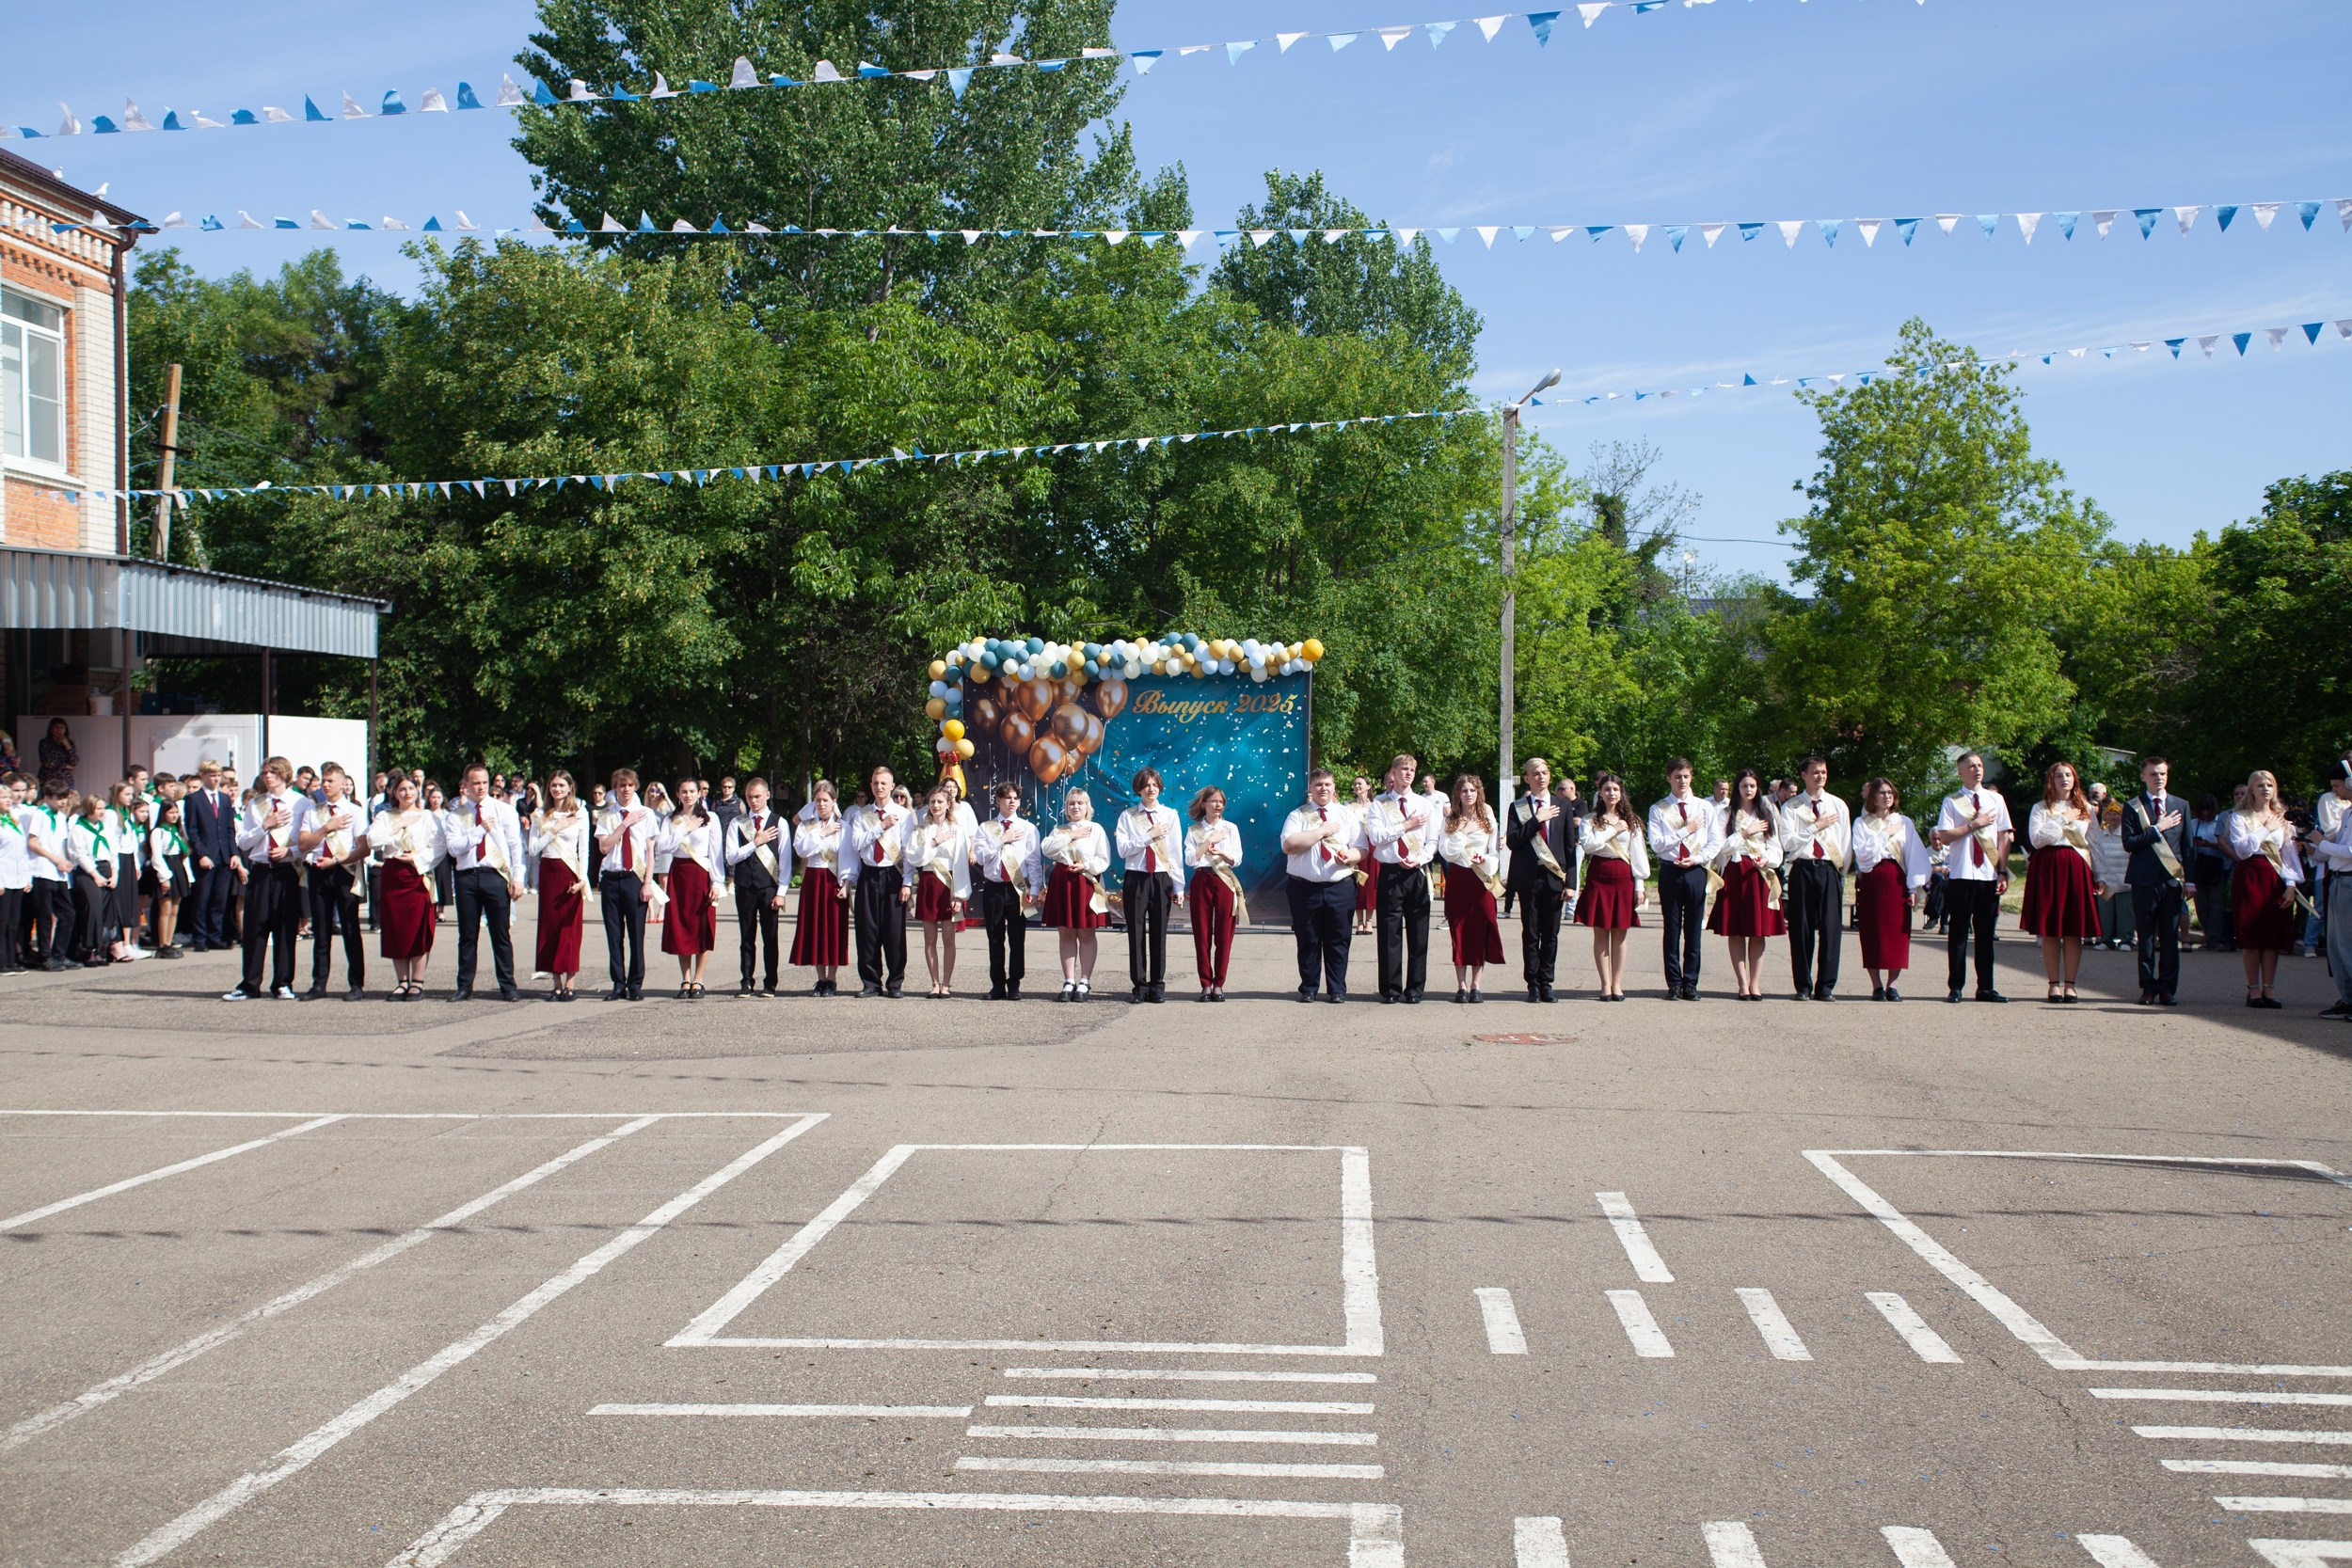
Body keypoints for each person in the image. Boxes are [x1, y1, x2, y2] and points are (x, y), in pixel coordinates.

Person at [225, 759, 310, 1001]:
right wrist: (265, 826)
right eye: (264, 773)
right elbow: (243, 842)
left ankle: (283, 983)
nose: (267, 777)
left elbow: (306, 842)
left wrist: (290, 852)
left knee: (285, 928)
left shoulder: (300, 803)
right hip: (261, 870)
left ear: (284, 774)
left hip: (287, 869)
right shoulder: (256, 804)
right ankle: (250, 983)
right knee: (255, 928)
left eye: (272, 772)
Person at [1932, 751, 2013, 1005]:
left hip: (1988, 873)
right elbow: (1944, 836)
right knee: (1958, 932)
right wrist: (1973, 825)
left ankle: (1986, 988)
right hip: (1962, 873)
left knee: (1986, 934)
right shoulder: (1952, 801)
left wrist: (2002, 870)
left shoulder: (1996, 800)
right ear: (1960, 771)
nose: (1977, 769)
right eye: (1970, 766)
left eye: (1979, 765)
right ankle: (1956, 985)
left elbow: (2004, 836)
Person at [441, 764, 526, 1003]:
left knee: (501, 933)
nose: (480, 787)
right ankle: (464, 986)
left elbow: (515, 845)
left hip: (495, 875)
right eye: (475, 783)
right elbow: (454, 848)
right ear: (466, 785)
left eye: (484, 783)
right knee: (467, 934)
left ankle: (508, 986)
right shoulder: (455, 815)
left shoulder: (503, 810)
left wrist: (517, 877)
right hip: (467, 876)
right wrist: (479, 831)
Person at [1280, 768, 1365, 1004]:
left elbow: (1361, 847)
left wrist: (1350, 856)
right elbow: (1289, 845)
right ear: (1310, 788)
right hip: (1304, 887)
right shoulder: (1298, 815)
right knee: (1308, 939)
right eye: (1318, 785)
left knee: (1339, 939)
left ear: (1334, 787)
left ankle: (1337, 989)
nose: (1323, 788)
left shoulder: (1346, 814)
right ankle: (1308, 987)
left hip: (1340, 886)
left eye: (1328, 784)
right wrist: (1321, 831)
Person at [2022, 762, 2105, 1005]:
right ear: (2051, 780)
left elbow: (2095, 843)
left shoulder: (2086, 808)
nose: (2064, 779)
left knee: (2073, 930)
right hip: (2048, 867)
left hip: (2077, 867)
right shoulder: (2040, 808)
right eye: (2059, 775)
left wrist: (2100, 875)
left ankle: (2070, 985)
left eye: (2068, 775)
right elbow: (2037, 840)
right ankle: (2052, 984)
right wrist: (2062, 819)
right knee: (2050, 930)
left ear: (2075, 779)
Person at [2226, 768, 2305, 1009]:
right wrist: (2265, 828)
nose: (2265, 789)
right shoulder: (2240, 817)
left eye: (2269, 785)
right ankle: (2254, 989)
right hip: (2250, 876)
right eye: (2260, 785)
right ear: (2252, 789)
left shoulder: (2282, 819)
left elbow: (2289, 857)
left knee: (2271, 938)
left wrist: (2291, 886)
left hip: (2275, 879)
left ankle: (2269, 988)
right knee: (2252, 937)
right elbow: (2242, 850)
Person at [1364, 752, 1439, 1005]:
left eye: (1412, 770)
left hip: (1417, 872)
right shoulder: (1379, 804)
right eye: (1403, 769)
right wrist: (1406, 825)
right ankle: (1390, 989)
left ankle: (1416, 989)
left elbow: (1432, 841)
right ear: (1392, 774)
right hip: (1391, 873)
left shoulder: (1425, 804)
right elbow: (1376, 837)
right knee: (1389, 933)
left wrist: (1421, 859)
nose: (1408, 773)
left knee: (1419, 933)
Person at [2118, 757, 2193, 1007]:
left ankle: (2168, 989)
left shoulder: (2180, 805)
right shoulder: (2132, 806)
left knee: (2170, 937)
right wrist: (2157, 829)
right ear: (2143, 777)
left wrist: (2190, 880)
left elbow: (2188, 847)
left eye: (2162, 773)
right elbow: (2129, 843)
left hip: (2172, 880)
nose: (2158, 778)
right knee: (2147, 937)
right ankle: (2148, 988)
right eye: (2153, 774)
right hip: (2144, 880)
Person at [1708, 768, 1786, 1001]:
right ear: (1737, 788)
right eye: (1744, 786)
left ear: (1757, 787)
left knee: (1758, 931)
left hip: (1760, 873)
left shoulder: (1766, 813)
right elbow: (1722, 847)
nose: (1748, 790)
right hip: (1734, 871)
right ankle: (1742, 983)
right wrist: (1745, 833)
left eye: (1752, 785)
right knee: (1736, 930)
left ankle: (1755, 983)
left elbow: (1776, 847)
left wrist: (1768, 860)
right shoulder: (1726, 814)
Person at [1647, 758, 1722, 1001]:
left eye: (1686, 776)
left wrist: (1698, 859)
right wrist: (1685, 830)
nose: (1682, 781)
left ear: (1692, 778)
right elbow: (1657, 845)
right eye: (1677, 777)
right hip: (1670, 871)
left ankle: (1691, 982)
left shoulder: (1704, 807)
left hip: (1695, 870)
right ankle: (1674, 983)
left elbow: (1715, 842)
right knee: (1671, 929)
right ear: (1669, 778)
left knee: (1693, 930)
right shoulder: (1658, 809)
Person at [1778, 755, 1851, 1002]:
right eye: (1815, 772)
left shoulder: (1838, 805)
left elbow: (1845, 844)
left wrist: (1840, 871)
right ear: (1804, 775)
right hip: (1802, 869)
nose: (1820, 776)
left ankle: (1826, 986)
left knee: (1831, 930)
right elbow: (1787, 842)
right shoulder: (1791, 807)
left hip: (1829, 870)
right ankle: (1803, 985)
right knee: (1801, 929)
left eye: (1824, 772)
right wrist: (1815, 826)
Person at [1851, 777, 1930, 1002]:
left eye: (1890, 793)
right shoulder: (1862, 823)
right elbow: (1864, 855)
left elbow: (1914, 855)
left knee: (1898, 933)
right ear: (1873, 796)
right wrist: (1885, 833)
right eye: (1882, 792)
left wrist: (1914, 887)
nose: (1887, 796)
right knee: (1873, 932)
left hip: (1898, 881)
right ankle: (1876, 985)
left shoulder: (1904, 822)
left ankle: (1892, 984)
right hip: (1873, 880)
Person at [1576, 772, 1649, 1001]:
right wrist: (1614, 829)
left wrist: (1640, 884)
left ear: (1621, 793)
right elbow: (1589, 846)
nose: (1611, 794)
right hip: (1599, 874)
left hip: (1623, 876)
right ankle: (1605, 984)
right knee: (1600, 932)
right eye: (1607, 789)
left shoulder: (1632, 821)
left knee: (1620, 932)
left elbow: (1638, 854)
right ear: (1600, 793)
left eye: (1615, 790)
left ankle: (1617, 984)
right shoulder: (1590, 820)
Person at [297, 764, 368, 1000]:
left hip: (343, 870)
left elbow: (363, 848)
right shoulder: (314, 811)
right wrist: (327, 827)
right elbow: (304, 844)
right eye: (324, 781)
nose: (326, 785)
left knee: (350, 928)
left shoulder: (354, 811)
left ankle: (356, 984)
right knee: (321, 928)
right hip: (318, 870)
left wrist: (337, 861)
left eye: (330, 781)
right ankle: (319, 984)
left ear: (342, 783)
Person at [369, 776, 443, 998]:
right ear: (394, 792)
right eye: (402, 789)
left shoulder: (427, 816)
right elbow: (373, 840)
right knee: (396, 928)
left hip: (417, 874)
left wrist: (417, 859)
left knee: (418, 928)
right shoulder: (385, 816)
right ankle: (401, 981)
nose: (407, 793)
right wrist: (398, 824)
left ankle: (417, 981)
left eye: (411, 788)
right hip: (393, 875)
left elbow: (439, 846)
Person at [1114, 768, 1184, 1003]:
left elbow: (1175, 853)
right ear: (1138, 789)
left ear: (1160, 787)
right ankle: (1140, 985)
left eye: (1155, 785)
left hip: (1162, 877)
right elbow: (1123, 850)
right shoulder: (1128, 816)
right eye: (1146, 785)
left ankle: (1157, 985)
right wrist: (1149, 835)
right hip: (1136, 876)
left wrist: (1179, 886)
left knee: (1159, 931)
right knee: (1135, 932)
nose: (1151, 789)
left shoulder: (1170, 815)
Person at [843, 765, 911, 999]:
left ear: (892, 786)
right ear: (870, 785)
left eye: (883, 783)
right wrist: (880, 826)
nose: (879, 787)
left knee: (894, 931)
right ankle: (871, 982)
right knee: (867, 930)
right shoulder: (862, 815)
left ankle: (895, 982)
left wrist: (907, 883)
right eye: (875, 783)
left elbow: (907, 850)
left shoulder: (903, 815)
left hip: (893, 874)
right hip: (869, 874)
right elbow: (857, 843)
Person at [1438, 773, 1505, 1003]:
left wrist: (1486, 862)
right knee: (1460, 929)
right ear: (1458, 794)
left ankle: (1477, 985)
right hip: (1459, 877)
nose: (1469, 794)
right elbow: (1446, 852)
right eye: (1464, 791)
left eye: (1472, 791)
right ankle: (1461, 986)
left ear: (1479, 793)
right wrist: (1462, 832)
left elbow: (1495, 852)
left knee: (1482, 926)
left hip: (1481, 878)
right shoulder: (1450, 820)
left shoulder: (1487, 819)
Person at [1041, 787, 1113, 1002]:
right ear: (1066, 807)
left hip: (1086, 882)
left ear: (1087, 806)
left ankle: (1084, 981)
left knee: (1086, 932)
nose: (1076, 807)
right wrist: (1071, 835)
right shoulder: (1060, 830)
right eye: (1072, 803)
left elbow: (1103, 859)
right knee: (1066, 932)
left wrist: (1086, 865)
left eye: (1080, 803)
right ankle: (1069, 980)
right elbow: (1047, 849)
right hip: (1063, 882)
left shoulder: (1096, 829)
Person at [974, 782, 1042, 1001]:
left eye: (1015, 798)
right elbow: (981, 857)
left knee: (1017, 938)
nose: (1012, 801)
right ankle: (997, 984)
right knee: (994, 937)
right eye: (1007, 797)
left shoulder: (1028, 828)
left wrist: (1035, 888)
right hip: (994, 887)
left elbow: (1033, 862)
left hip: (1018, 888)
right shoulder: (986, 828)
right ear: (998, 801)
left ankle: (1014, 984)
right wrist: (1002, 840)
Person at [722, 777, 788, 997]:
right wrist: (755, 843)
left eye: (757, 796)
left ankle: (770, 983)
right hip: (745, 886)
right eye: (749, 797)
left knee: (770, 937)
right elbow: (730, 857)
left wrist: (782, 892)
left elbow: (785, 861)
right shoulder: (738, 822)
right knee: (746, 936)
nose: (753, 801)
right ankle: (747, 981)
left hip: (769, 886)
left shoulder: (779, 822)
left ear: (767, 795)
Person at [654, 777, 721, 998]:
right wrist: (684, 831)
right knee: (682, 927)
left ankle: (699, 980)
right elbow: (663, 847)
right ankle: (685, 978)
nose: (689, 795)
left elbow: (715, 853)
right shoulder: (670, 820)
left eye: (693, 791)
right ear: (678, 794)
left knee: (702, 926)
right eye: (684, 792)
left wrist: (717, 882)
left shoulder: (711, 818)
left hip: (702, 874)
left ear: (700, 793)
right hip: (679, 876)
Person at [595, 768, 657, 1002]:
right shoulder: (607, 815)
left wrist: (648, 883)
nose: (626, 789)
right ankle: (618, 983)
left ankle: (636, 983)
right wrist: (623, 824)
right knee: (614, 935)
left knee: (636, 934)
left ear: (635, 786)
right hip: (611, 878)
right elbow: (603, 847)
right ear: (615, 788)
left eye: (630, 785)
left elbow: (650, 851)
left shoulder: (646, 813)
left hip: (634, 878)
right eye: (622, 786)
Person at [905, 782, 970, 999]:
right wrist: (934, 841)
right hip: (928, 884)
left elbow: (961, 863)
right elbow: (913, 856)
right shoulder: (921, 830)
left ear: (948, 804)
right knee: (929, 939)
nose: (935, 805)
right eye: (932, 801)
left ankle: (946, 984)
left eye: (940, 801)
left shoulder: (957, 830)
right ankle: (934, 983)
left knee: (949, 939)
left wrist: (960, 896)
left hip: (948, 887)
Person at [529, 770, 590, 1001]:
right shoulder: (540, 815)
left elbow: (583, 850)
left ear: (570, 787)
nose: (557, 789)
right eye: (553, 785)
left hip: (570, 873)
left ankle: (570, 983)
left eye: (561, 785)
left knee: (570, 929)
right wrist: (554, 829)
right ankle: (555, 982)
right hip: (549, 871)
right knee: (550, 927)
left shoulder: (580, 814)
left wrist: (583, 879)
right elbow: (533, 849)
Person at [1184, 785, 1245, 1002]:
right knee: (1201, 935)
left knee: (1224, 935)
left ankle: (1219, 983)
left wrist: (1223, 853)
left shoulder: (1231, 828)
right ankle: (1205, 984)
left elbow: (1237, 858)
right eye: (1213, 801)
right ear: (1204, 804)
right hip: (1201, 879)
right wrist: (1209, 842)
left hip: (1224, 880)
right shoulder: (1194, 830)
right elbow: (1190, 859)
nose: (1218, 805)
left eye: (1221, 801)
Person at [792, 781, 852, 995]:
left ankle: (832, 979)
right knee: (815, 928)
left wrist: (846, 883)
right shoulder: (806, 826)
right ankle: (820, 978)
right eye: (817, 800)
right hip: (813, 879)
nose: (821, 804)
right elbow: (801, 850)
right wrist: (823, 833)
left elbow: (848, 857)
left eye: (825, 800)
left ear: (834, 802)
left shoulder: (844, 827)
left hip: (834, 880)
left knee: (834, 929)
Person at [2308, 758, 2352, 1022]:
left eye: (2338, 786)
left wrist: (2322, 843)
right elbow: (2335, 852)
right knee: (2336, 946)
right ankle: (2347, 998)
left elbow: (2350, 852)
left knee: (2346, 944)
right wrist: (2313, 847)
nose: (2335, 791)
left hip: (2348, 881)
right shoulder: (2347, 813)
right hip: (2337, 880)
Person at [24, 780, 76, 969]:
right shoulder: (40, 814)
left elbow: (60, 844)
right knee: (45, 916)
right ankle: (45, 957)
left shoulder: (61, 817)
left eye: (64, 798)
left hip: (58, 872)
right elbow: (33, 843)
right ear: (47, 798)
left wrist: (63, 861)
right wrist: (56, 860)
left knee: (68, 913)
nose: (62, 802)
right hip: (42, 870)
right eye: (58, 799)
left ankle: (59, 954)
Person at [144, 794, 192, 962]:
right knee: (165, 908)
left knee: (175, 909)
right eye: (171, 812)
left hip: (178, 868)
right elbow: (157, 856)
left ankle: (169, 940)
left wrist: (189, 876)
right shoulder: (158, 832)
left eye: (176, 812)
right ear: (163, 813)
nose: (174, 816)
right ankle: (162, 944)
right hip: (166, 868)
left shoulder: (177, 832)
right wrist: (163, 877)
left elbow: (184, 855)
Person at [2085, 783, 2132, 951]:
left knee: (2125, 911)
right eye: (2109, 814)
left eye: (2116, 814)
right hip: (2106, 878)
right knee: (2106, 912)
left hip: (2124, 877)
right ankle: (2105, 939)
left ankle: (2126, 940)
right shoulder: (2100, 834)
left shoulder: (2127, 834)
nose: (2112, 817)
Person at [2188, 795, 2233, 951]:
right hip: (2199, 866)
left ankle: (2215, 938)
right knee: (2201, 905)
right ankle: (2208, 934)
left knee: (2216, 904)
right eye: (2203, 810)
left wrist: (2210, 845)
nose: (2206, 813)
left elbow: (2226, 846)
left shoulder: (2220, 824)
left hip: (2216, 866)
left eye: (2209, 810)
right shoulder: (2194, 824)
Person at [0, 774, 30, 973]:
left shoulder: (14, 822)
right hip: (3, 878)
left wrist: (27, 878)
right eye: (3, 797)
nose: (8, 800)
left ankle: (11, 960)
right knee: (2, 922)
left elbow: (23, 854)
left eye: (9, 797)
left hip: (17, 879)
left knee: (13, 922)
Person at [1350, 773, 1380, 937]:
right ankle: (1359, 921)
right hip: (1356, 847)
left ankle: (1369, 921)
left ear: (1368, 786)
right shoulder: (1348, 806)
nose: (1357, 787)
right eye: (1355, 784)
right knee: (1358, 882)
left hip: (1373, 847)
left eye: (1360, 784)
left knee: (1371, 883)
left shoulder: (1376, 805)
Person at [37, 718, 76, 795]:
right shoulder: (44, 743)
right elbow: (49, 762)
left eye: (62, 728)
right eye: (56, 727)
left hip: (66, 781)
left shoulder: (69, 743)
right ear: (51, 729)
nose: (59, 730)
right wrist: (66, 766)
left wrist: (68, 747)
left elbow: (74, 761)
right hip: (48, 780)